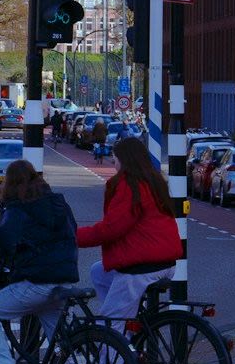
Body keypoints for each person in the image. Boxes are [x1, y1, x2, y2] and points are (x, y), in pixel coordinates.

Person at [0, 160, 79, 364]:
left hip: (37, 282)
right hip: (63, 282)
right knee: (62, 349)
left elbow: (5, 237)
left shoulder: (18, 208)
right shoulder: (58, 203)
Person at [77, 135, 183, 327]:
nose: (112, 161)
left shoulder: (129, 185)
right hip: (165, 263)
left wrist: (73, 236)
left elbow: (111, 229)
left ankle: (118, 342)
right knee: (98, 272)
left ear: (124, 160)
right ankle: (129, 326)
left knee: (109, 324)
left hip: (142, 267)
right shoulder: (154, 181)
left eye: (115, 158)